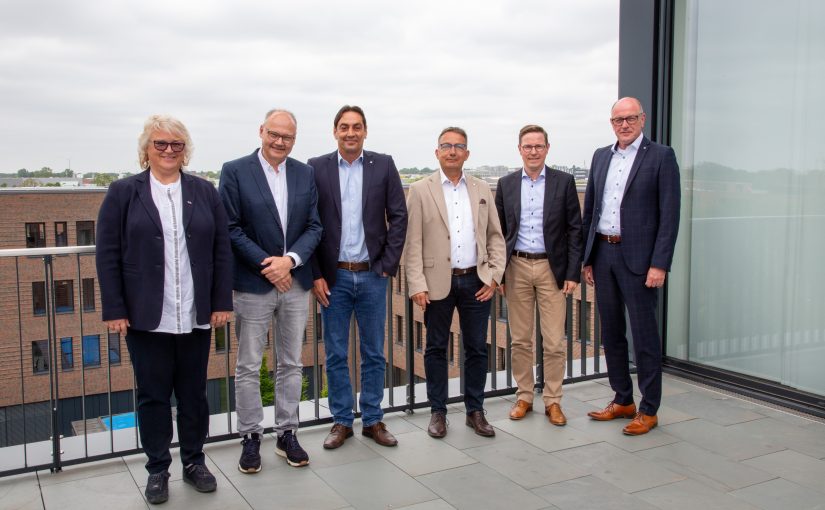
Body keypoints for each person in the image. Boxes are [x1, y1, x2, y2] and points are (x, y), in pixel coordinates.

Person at [96, 114, 233, 504]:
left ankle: (194, 462)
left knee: (194, 395)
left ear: (185, 150)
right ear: (146, 150)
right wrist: (114, 308)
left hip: (194, 313)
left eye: (176, 145)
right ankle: (158, 470)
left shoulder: (205, 191)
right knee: (153, 397)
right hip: (145, 316)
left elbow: (221, 249)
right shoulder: (123, 192)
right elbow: (107, 254)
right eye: (160, 144)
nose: (169, 150)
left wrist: (221, 301)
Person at [218, 109, 322, 470]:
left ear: (295, 140)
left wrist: (289, 261)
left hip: (295, 283)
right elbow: (230, 228)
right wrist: (269, 265)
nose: (280, 142)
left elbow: (314, 226)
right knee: (248, 365)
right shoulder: (234, 171)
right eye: (274, 134)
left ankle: (287, 433)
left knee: (291, 362)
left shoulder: (304, 173)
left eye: (288, 137)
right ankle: (250, 437)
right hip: (252, 283)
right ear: (261, 131)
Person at [307, 105, 408, 449]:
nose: (350, 132)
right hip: (332, 278)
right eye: (344, 127)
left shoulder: (383, 164)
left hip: (372, 275)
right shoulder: (316, 167)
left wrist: (386, 265)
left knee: (374, 352)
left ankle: (373, 420)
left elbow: (398, 216)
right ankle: (341, 421)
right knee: (335, 353)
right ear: (334, 131)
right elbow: (307, 223)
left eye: (357, 127)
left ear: (366, 131)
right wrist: (316, 274)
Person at [582, 97, 681, 436]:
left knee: (645, 339)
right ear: (611, 123)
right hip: (604, 254)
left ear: (643, 119)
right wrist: (588, 258)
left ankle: (649, 409)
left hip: (640, 261)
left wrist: (660, 263)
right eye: (618, 119)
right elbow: (591, 210)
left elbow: (669, 215)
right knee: (611, 333)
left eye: (630, 118)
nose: (624, 125)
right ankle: (622, 399)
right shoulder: (600, 156)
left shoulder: (661, 157)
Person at [404, 127, 506, 438]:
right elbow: (413, 243)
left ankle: (475, 410)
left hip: (476, 280)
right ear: (437, 152)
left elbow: (495, 237)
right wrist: (416, 284)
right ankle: (438, 411)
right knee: (435, 347)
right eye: (446, 146)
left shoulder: (481, 188)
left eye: (458, 146)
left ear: (467, 153)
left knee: (476, 348)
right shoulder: (421, 189)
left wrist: (494, 275)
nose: (452, 151)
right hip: (436, 283)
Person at [494, 124, 583, 426]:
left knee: (555, 341)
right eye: (527, 146)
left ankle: (553, 401)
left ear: (547, 148)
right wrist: (500, 274)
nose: (533, 151)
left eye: (538, 146)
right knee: (520, 339)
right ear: (520, 149)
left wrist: (572, 272)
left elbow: (574, 230)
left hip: (551, 269)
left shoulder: (564, 182)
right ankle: (524, 396)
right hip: (516, 267)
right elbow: (498, 233)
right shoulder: (506, 184)